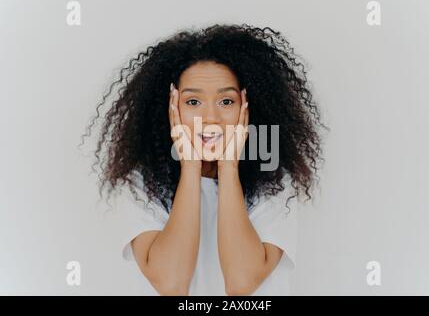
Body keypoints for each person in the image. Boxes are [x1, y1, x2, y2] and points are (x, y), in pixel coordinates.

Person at [79, 23, 327, 295]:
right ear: (172, 108)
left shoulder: (274, 180)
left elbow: (241, 284)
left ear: (248, 108)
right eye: (193, 102)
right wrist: (191, 167)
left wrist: (228, 166)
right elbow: (171, 284)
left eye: (226, 102)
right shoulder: (141, 182)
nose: (210, 118)